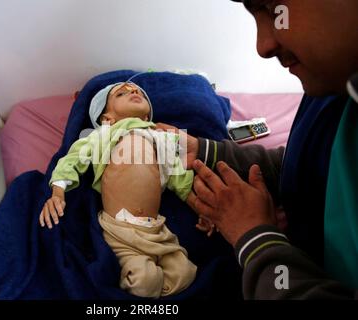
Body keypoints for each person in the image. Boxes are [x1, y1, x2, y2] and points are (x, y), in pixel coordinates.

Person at [159, 0, 358, 299]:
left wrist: (257, 239)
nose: (262, 46)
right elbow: (310, 165)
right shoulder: (334, 88)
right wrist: (208, 151)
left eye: (273, 8)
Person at [39, 81, 197, 298]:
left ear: (146, 116)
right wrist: (57, 192)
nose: (133, 91)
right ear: (107, 118)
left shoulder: (161, 137)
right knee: (144, 281)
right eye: (122, 93)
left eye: (138, 91)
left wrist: (200, 207)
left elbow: (180, 176)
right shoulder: (102, 135)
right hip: (120, 230)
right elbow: (71, 160)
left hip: (156, 229)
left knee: (185, 273)